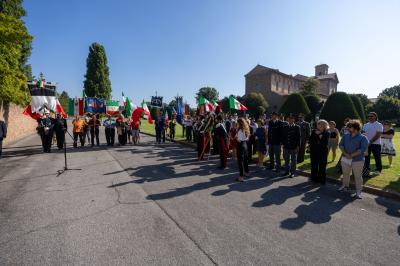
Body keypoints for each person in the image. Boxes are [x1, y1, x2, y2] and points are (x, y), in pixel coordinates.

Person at [338, 120, 369, 199]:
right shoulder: (346, 136)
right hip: (345, 158)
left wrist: (351, 155)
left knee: (357, 176)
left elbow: (362, 149)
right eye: (347, 127)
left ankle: (358, 192)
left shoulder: (363, 138)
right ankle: (345, 186)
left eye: (350, 127)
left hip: (358, 160)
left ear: (356, 128)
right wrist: (345, 154)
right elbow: (341, 145)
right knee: (345, 174)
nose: (348, 128)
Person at [309, 119, 330, 184]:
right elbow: (310, 141)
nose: (318, 125)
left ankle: (321, 179)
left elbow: (325, 144)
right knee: (314, 165)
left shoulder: (327, 133)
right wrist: (316, 135)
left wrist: (320, 137)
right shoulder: (313, 131)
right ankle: (313, 178)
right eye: (318, 124)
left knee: (322, 166)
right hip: (314, 151)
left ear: (324, 126)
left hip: (322, 151)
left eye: (320, 124)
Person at [235, 118, 250, 182]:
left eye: (237, 123)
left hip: (240, 144)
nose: (237, 124)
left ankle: (241, 176)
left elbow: (239, 139)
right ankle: (246, 172)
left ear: (240, 123)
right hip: (245, 144)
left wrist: (237, 137)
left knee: (240, 161)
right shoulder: (246, 128)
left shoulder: (240, 130)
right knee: (245, 160)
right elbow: (247, 138)